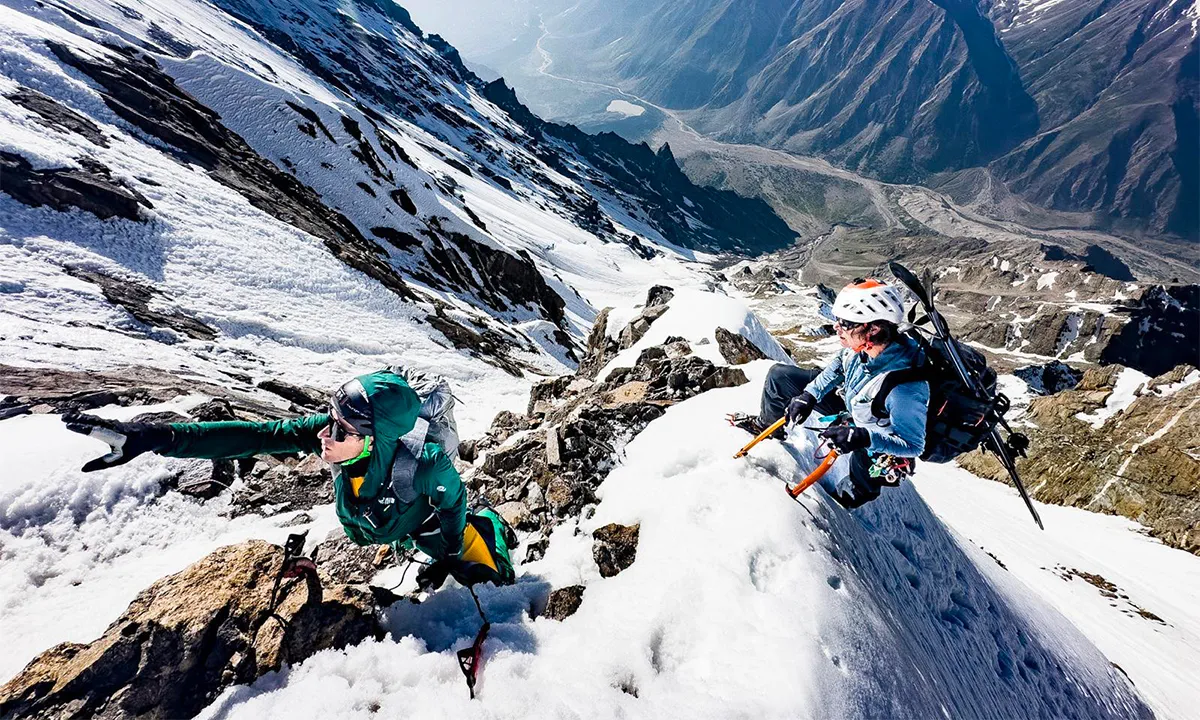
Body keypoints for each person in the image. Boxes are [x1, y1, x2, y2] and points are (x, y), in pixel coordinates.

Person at [63, 368, 514, 591]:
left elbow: (452, 502)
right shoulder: (344, 437)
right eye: (331, 419)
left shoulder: (426, 462)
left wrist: (453, 546)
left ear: (376, 439)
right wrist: (154, 437)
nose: (324, 433)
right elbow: (254, 436)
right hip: (383, 521)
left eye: (341, 428)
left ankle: (491, 526)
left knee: (491, 583)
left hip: (423, 525)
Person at [729, 278, 929, 508]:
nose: (836, 327)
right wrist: (809, 395)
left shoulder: (905, 387)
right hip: (854, 406)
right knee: (779, 377)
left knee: (855, 491)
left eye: (844, 322)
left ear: (872, 328)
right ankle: (767, 427)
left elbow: (912, 445)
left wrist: (863, 437)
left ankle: (839, 508)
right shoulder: (862, 347)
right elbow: (837, 367)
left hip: (877, 435)